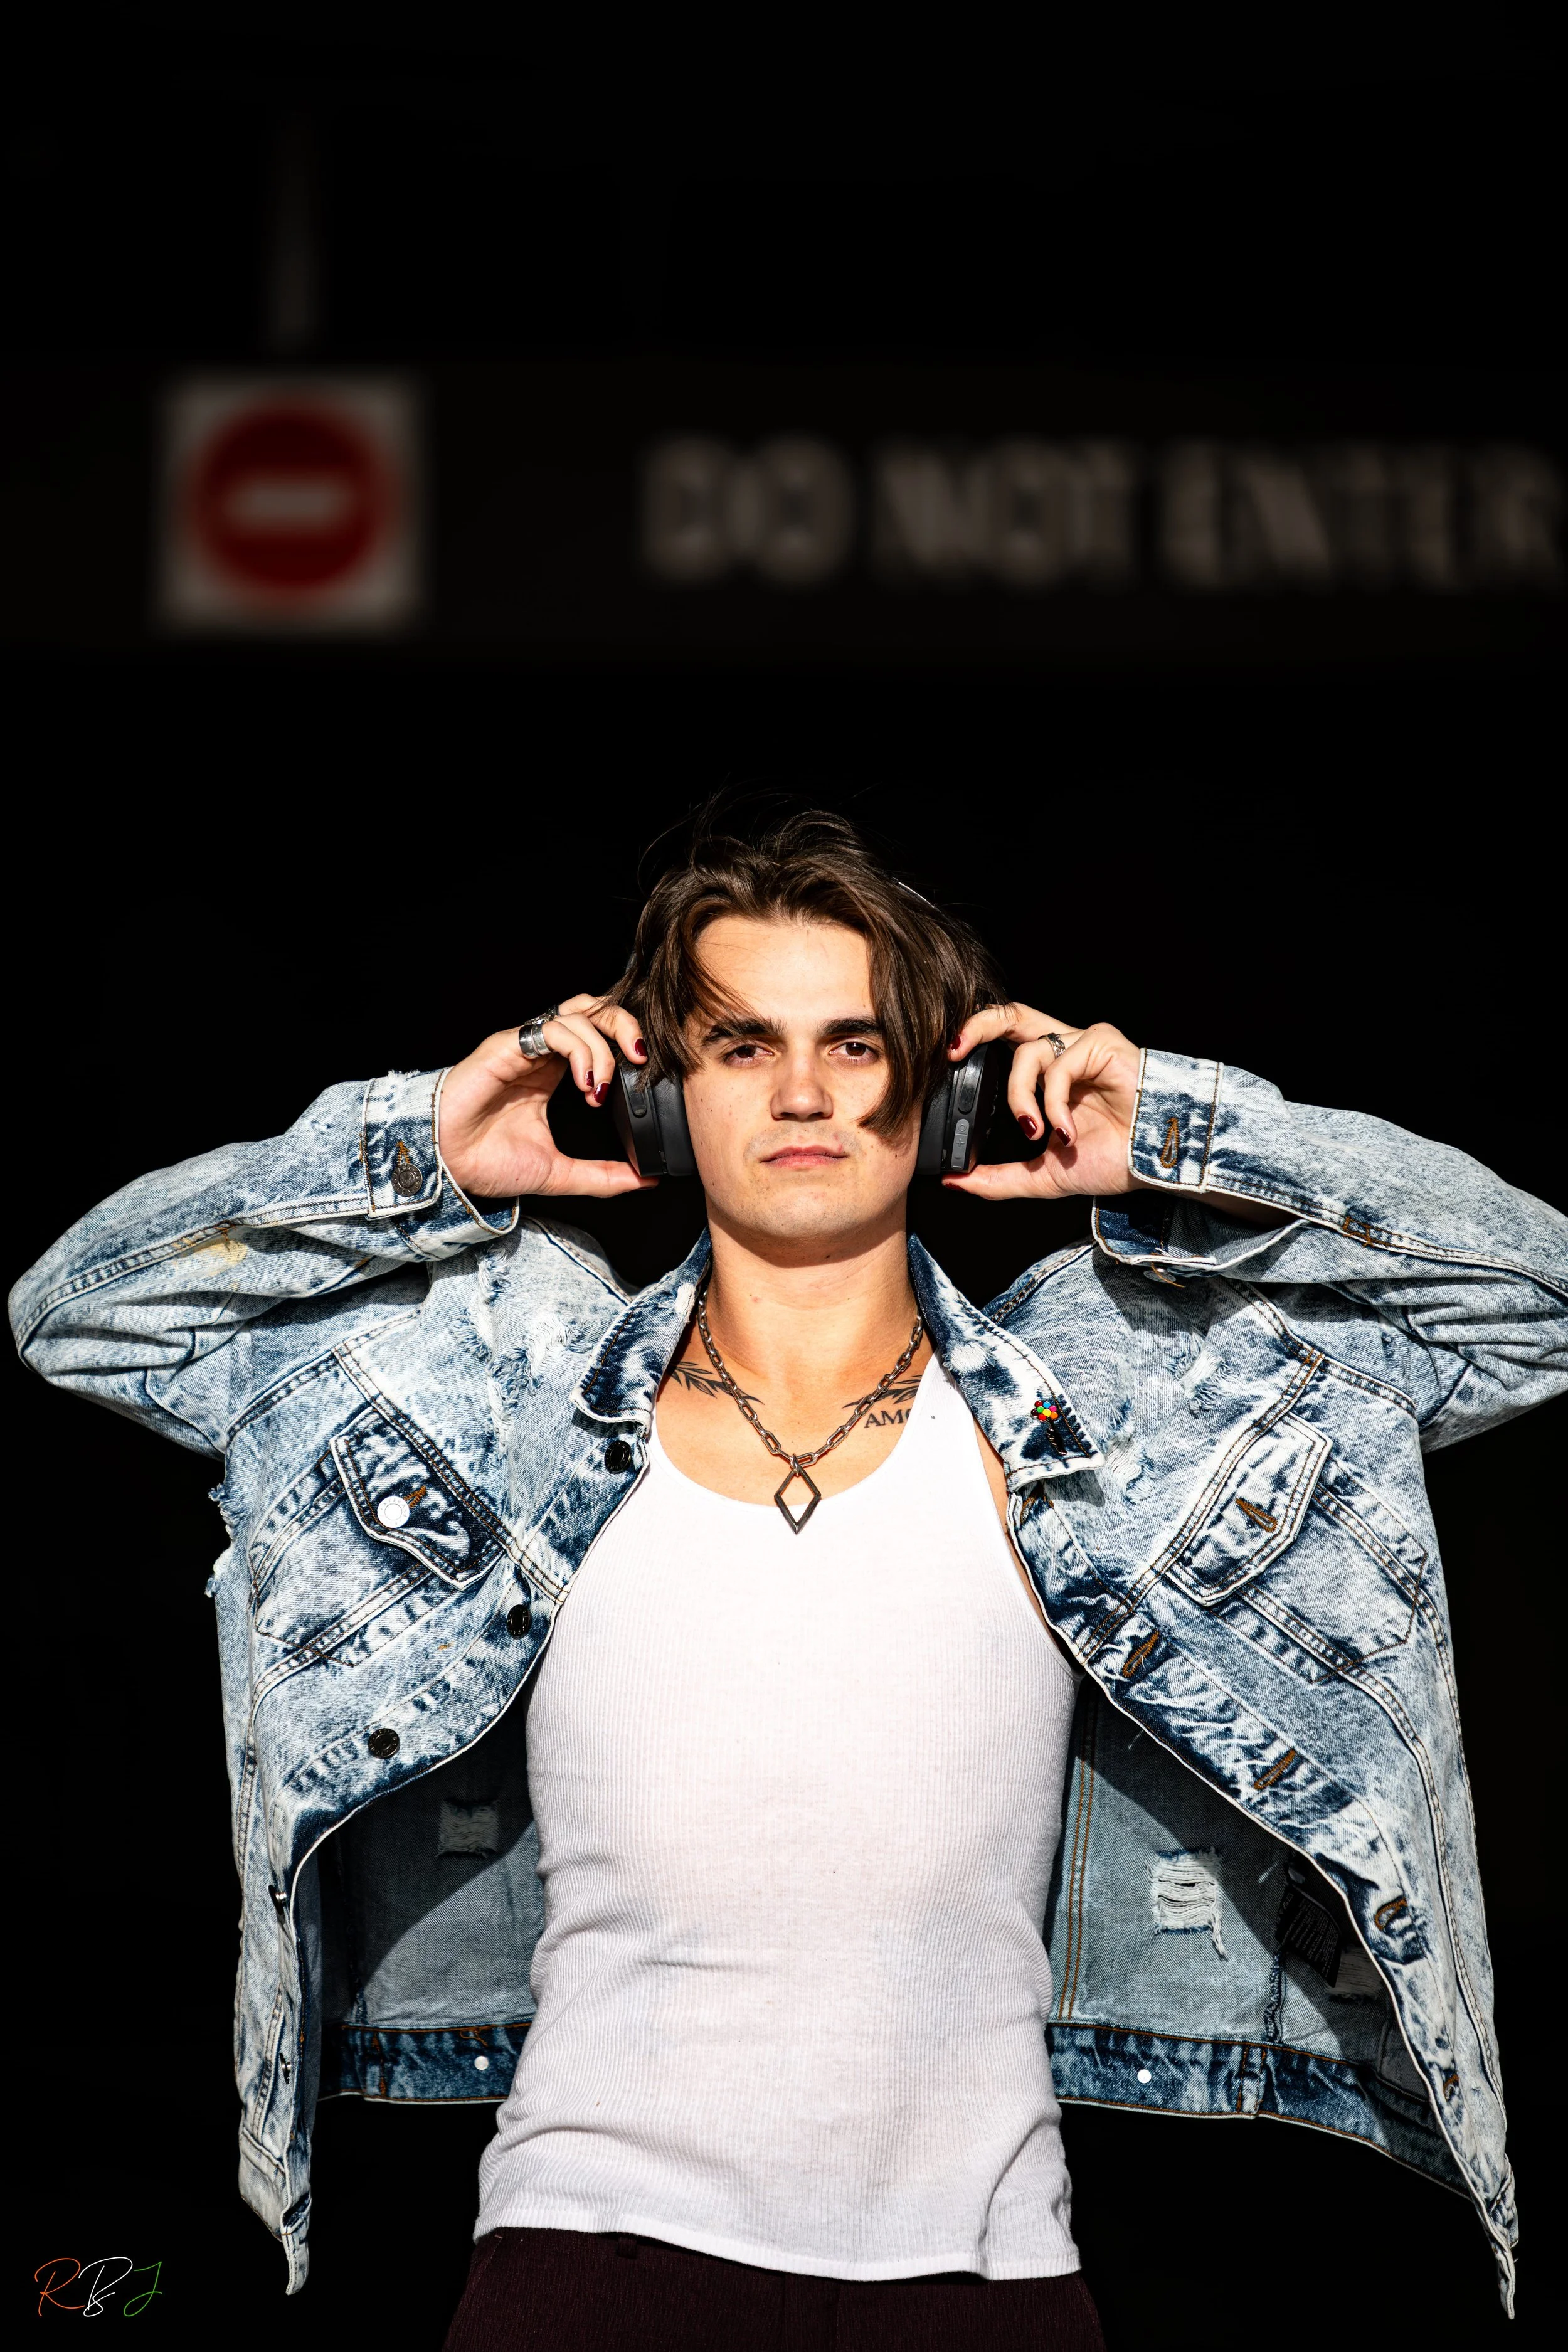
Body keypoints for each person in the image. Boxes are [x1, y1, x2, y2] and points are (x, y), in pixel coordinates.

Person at [11, 812, 1564, 2351]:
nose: (806, 1093)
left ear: (946, 1096)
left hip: (996, 2280)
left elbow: (1534, 1309)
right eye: (742, 1046)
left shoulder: (1119, 1401)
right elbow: (78, 1315)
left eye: (858, 1045)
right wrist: (423, 1143)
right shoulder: (503, 1388)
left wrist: (1175, 1130)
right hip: (585, 2264)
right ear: (660, 1100)